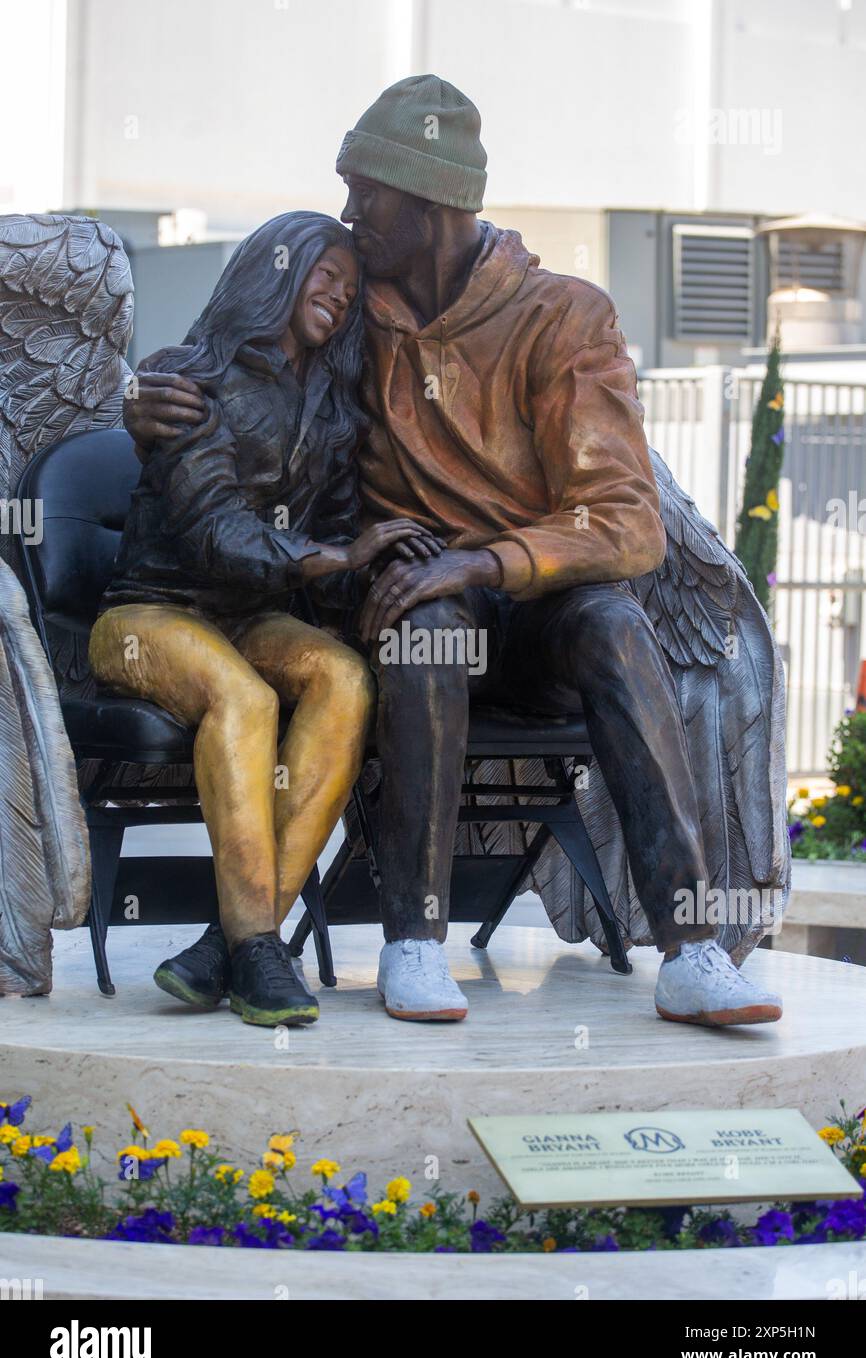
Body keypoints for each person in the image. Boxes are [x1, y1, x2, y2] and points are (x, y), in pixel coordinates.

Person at [125, 78, 782, 1031]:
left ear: (425, 203)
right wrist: (145, 404)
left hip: (540, 606)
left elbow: (628, 523)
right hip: (413, 604)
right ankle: (414, 943)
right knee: (424, 623)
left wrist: (482, 563)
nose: (349, 213)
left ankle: (692, 952)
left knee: (613, 624)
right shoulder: (355, 307)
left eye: (364, 193)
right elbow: (240, 361)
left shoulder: (564, 318)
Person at [92, 210, 438, 1028]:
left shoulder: (333, 413)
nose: (339, 293)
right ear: (271, 269)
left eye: (351, 290)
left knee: (342, 677)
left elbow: (348, 528)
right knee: (244, 698)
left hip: (249, 616)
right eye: (325, 272)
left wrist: (398, 580)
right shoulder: (187, 376)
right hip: (147, 612)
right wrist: (337, 555)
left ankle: (234, 944)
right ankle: (259, 952)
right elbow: (215, 532)